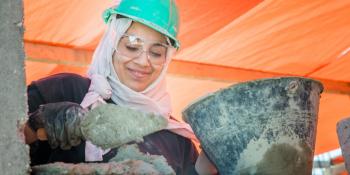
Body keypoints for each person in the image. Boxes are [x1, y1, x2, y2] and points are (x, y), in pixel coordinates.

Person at [24, 0, 204, 174]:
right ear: (112, 42)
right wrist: (34, 123)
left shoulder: (178, 141)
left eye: (156, 53)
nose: (143, 62)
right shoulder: (65, 90)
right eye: (132, 46)